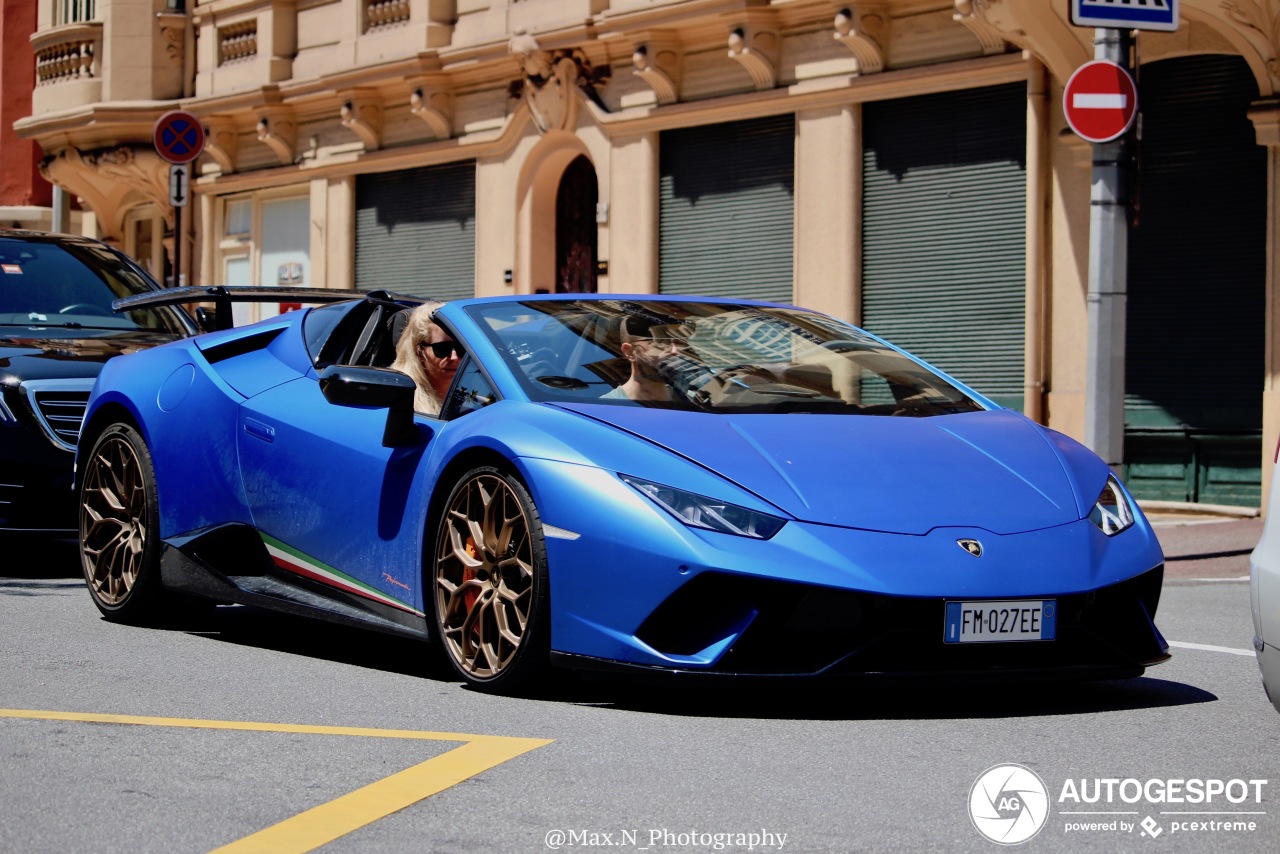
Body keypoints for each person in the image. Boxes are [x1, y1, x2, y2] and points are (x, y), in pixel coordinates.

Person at [390, 301, 460, 416]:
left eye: (461, 348)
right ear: (419, 351)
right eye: (442, 349)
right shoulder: (400, 403)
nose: (454, 357)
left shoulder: (479, 402)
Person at [602, 315, 688, 402]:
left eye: (680, 343)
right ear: (629, 352)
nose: (675, 351)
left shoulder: (692, 400)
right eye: (661, 344)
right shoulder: (604, 407)